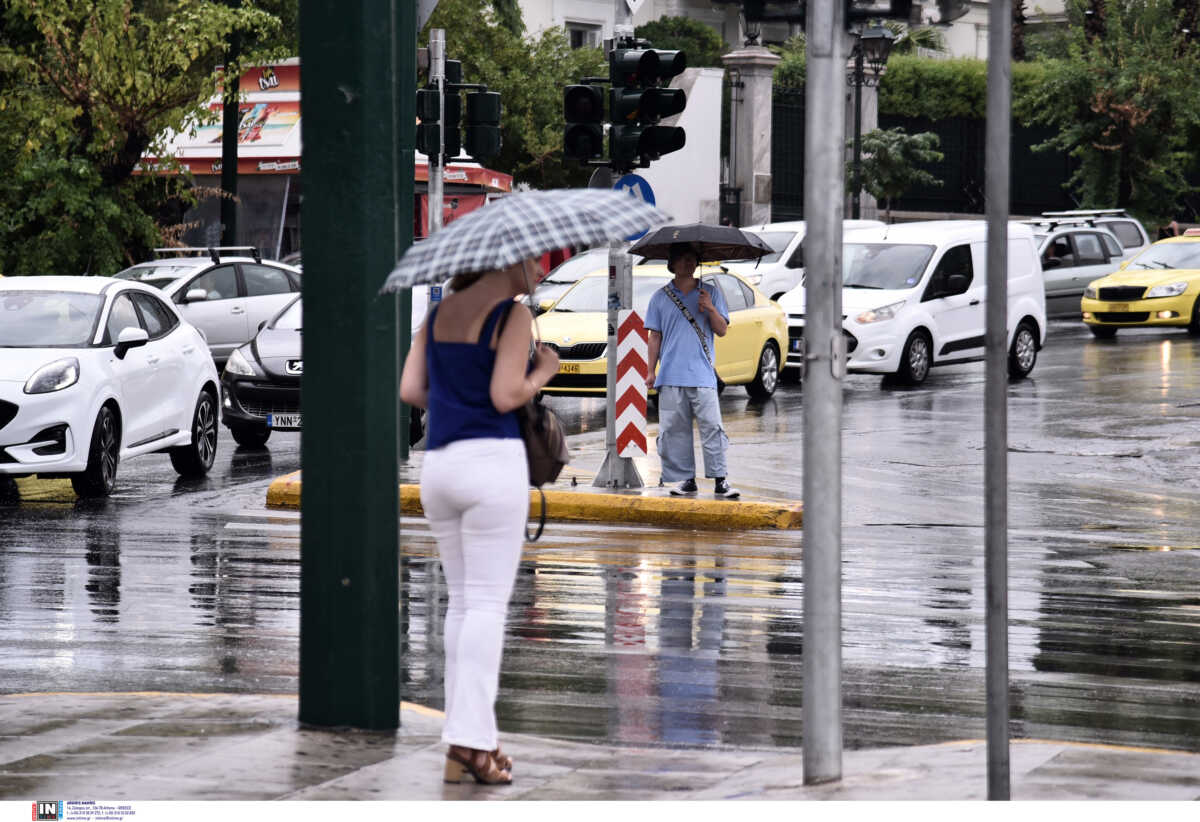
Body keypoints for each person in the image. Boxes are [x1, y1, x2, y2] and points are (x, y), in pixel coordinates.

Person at [399, 256, 560, 786]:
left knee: (463, 606)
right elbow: (504, 395)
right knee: (487, 607)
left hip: (440, 469)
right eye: (532, 258)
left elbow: (411, 389)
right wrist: (543, 371)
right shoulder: (510, 316)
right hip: (492, 465)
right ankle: (469, 743)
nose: (539, 266)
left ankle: (472, 744)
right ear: (508, 261)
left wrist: (453, 400)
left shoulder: (438, 313)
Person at [644, 242, 740, 499]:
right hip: (671, 376)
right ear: (672, 264)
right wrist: (650, 371)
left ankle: (721, 480)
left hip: (702, 375)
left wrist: (709, 307)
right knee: (675, 431)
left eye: (692, 259)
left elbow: (721, 330)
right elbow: (655, 336)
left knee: (712, 427)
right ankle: (687, 480)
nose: (688, 263)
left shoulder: (710, 293)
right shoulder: (659, 297)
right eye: (682, 259)